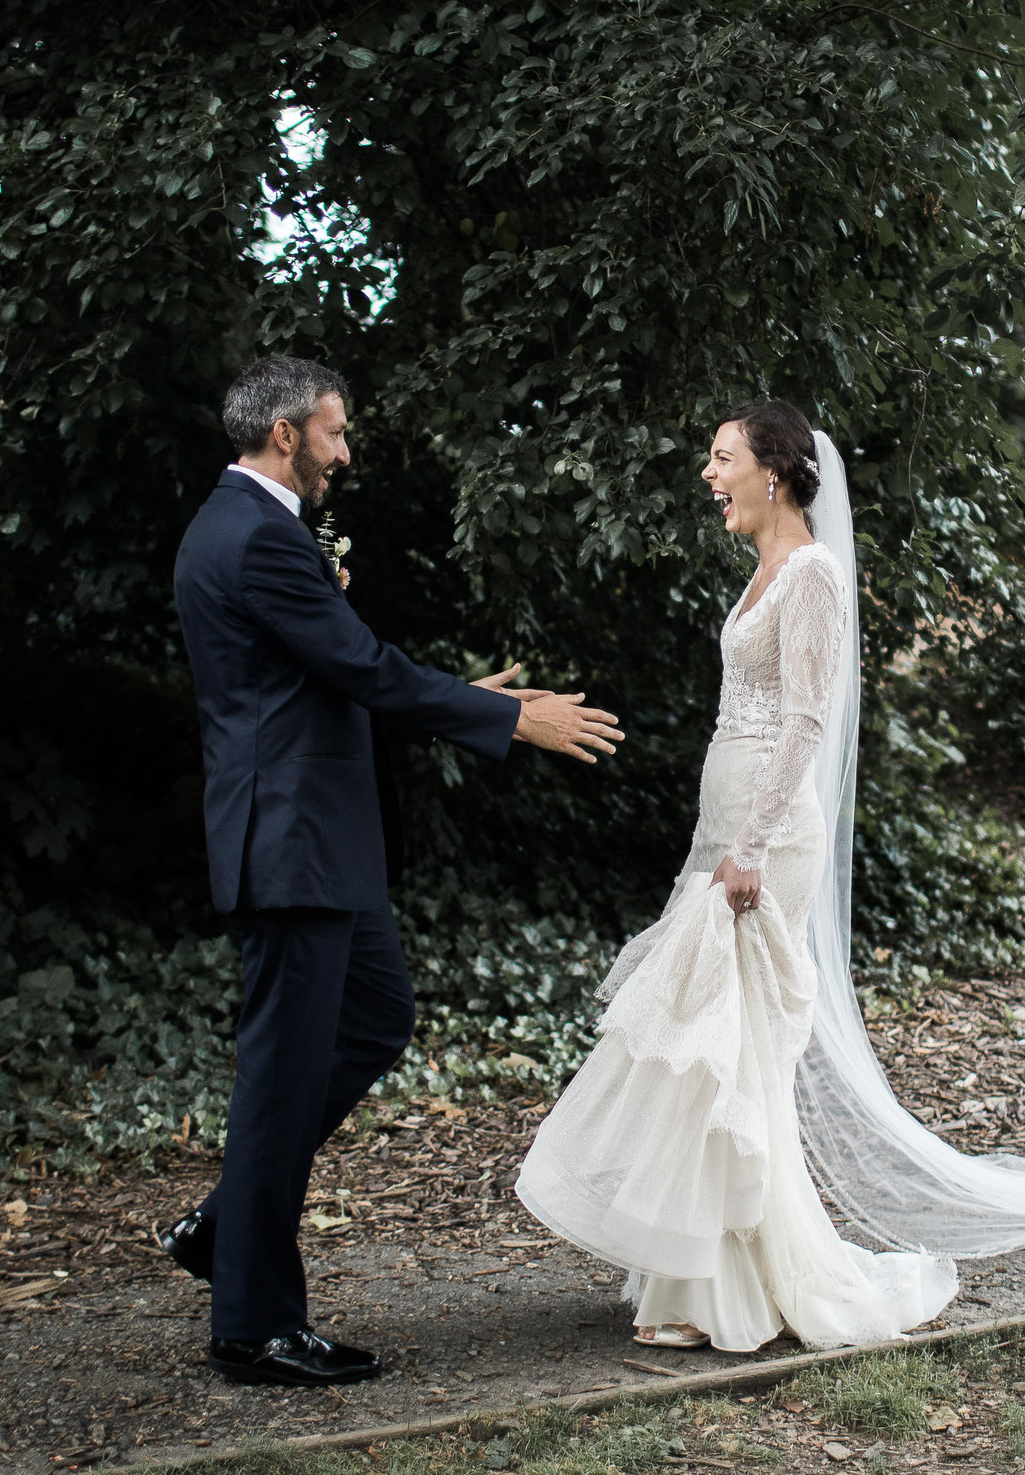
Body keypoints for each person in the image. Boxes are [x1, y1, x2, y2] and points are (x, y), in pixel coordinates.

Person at [515, 401, 1025, 1353]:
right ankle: (705, 1279)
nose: (709, 474)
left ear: (773, 471)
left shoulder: (813, 575)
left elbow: (808, 726)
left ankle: (744, 1286)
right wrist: (722, 834)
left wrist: (749, 840)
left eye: (721, 458)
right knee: (711, 1041)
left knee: (736, 1047)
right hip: (724, 832)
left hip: (765, 840)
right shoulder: (761, 572)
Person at [168, 355, 623, 1388]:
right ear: (285, 433)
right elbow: (362, 669)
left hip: (316, 844)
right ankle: (253, 1327)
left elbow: (319, 678)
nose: (343, 452)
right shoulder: (256, 536)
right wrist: (510, 717)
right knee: (282, 1082)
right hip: (290, 848)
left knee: (376, 1017)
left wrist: (456, 694)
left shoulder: (241, 529)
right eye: (334, 432)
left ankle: (224, 1226)